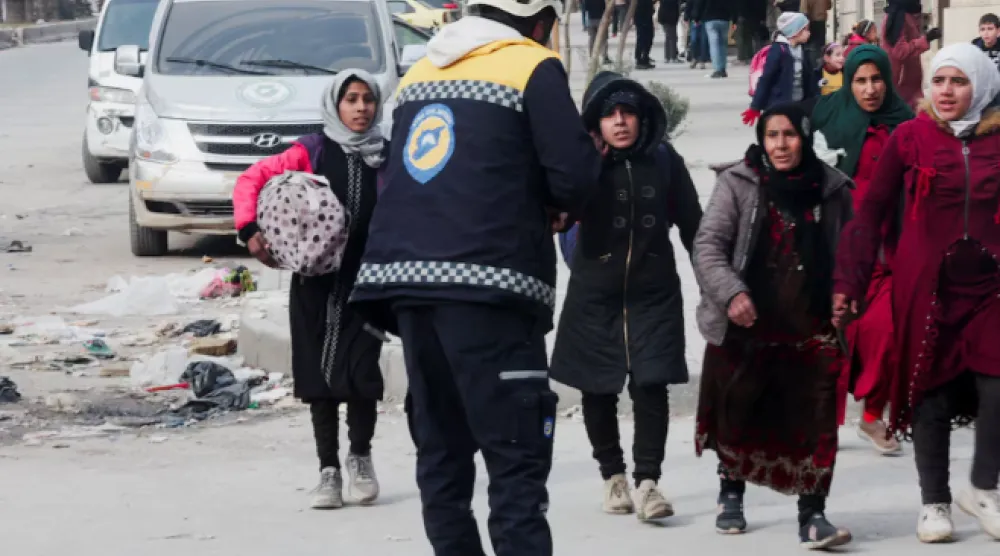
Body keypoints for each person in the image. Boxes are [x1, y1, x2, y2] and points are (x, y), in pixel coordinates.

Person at [349, 0, 602, 553]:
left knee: (441, 454)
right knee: (516, 460)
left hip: (408, 288)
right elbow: (574, 170)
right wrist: (559, 203)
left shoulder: (420, 73)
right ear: (539, 22)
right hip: (488, 286)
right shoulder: (529, 63)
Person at [832, 43, 1000, 545]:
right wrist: (849, 282)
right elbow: (870, 214)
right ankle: (935, 503)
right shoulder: (909, 138)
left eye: (959, 82)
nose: (947, 92)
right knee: (933, 396)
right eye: (940, 82)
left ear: (982, 87)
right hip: (927, 290)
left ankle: (984, 488)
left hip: (992, 289)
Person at [693, 103, 854, 548]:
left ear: (805, 136)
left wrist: (846, 293)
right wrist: (731, 294)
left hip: (812, 326)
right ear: (761, 140)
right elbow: (708, 246)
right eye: (772, 136)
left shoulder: (833, 189)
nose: (781, 145)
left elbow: (852, 253)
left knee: (817, 420)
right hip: (747, 326)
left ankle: (813, 513)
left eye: (790, 135)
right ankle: (731, 490)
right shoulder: (737, 183)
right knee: (738, 410)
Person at [550, 72, 703, 522]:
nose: (620, 122)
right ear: (597, 123)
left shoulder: (665, 161)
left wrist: (717, 288)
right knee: (597, 387)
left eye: (628, 113)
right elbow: (555, 213)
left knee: (650, 384)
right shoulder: (583, 162)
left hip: (653, 293)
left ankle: (649, 482)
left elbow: (695, 227)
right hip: (594, 293)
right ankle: (612, 475)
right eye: (610, 115)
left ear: (642, 118)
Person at [232, 70, 387, 510]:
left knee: (361, 374)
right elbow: (252, 180)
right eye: (351, 99)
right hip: (315, 284)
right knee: (318, 376)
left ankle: (360, 457)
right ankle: (328, 471)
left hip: (367, 284)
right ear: (334, 105)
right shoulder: (312, 150)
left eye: (368, 99)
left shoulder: (386, 155)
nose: (361, 108)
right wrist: (250, 230)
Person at [810, 45, 914, 454]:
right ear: (848, 80)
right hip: (839, 244)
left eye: (877, 79)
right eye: (860, 80)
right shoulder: (825, 116)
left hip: (893, 248)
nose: (870, 89)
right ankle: (823, 421)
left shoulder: (905, 124)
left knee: (886, 332)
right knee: (833, 335)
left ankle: (873, 414)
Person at [743, 12, 817, 124]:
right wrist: (755, 106)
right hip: (779, 105)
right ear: (795, 31)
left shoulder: (803, 50)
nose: (809, 33)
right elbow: (766, 79)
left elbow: (809, 78)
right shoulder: (778, 50)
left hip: (800, 104)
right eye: (806, 29)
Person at [881, 0, 941, 110]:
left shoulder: (907, 14)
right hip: (901, 87)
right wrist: (926, 39)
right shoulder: (897, 16)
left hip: (911, 84)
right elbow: (899, 51)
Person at [694, 0, 732, 78]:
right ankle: (722, 68)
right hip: (724, 18)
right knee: (723, 45)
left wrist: (697, 18)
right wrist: (734, 17)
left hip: (710, 18)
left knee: (714, 44)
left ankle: (717, 69)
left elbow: (700, 3)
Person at [799, 0, 831, 66]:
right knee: (820, 48)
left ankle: (811, 70)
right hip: (821, 22)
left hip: (810, 22)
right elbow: (829, 6)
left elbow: (804, 11)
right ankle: (818, 69)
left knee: (810, 49)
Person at [735, 0, 767, 64]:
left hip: (743, 16)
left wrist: (734, 19)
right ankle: (757, 56)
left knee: (742, 37)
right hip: (756, 16)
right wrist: (763, 18)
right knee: (757, 38)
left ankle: (743, 57)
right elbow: (763, 5)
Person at [584, 0, 612, 65]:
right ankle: (604, 56)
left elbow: (586, 8)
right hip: (601, 19)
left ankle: (592, 56)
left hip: (591, 20)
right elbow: (604, 8)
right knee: (604, 39)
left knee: (592, 38)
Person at [686, 0, 709, 69]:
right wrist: (687, 16)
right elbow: (689, 4)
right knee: (694, 40)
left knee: (703, 40)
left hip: (704, 19)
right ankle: (694, 58)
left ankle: (702, 60)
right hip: (695, 19)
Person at [634, 0, 657, 68]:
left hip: (648, 19)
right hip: (642, 20)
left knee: (649, 39)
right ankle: (639, 59)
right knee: (641, 40)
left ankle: (645, 58)